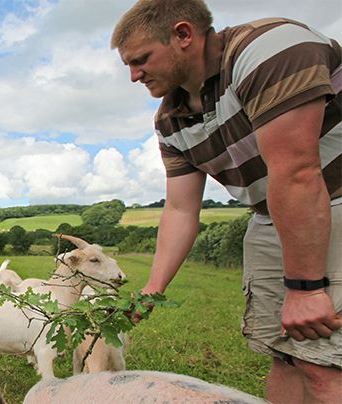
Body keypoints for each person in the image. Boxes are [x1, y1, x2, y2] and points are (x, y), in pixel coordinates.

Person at [111, 1, 342, 402]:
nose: (133, 76)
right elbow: (181, 210)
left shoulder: (269, 50)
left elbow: (298, 171)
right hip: (269, 214)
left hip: (329, 201)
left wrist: (305, 289)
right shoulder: (172, 119)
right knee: (283, 355)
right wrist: (153, 288)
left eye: (141, 60)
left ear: (183, 35)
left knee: (322, 363)